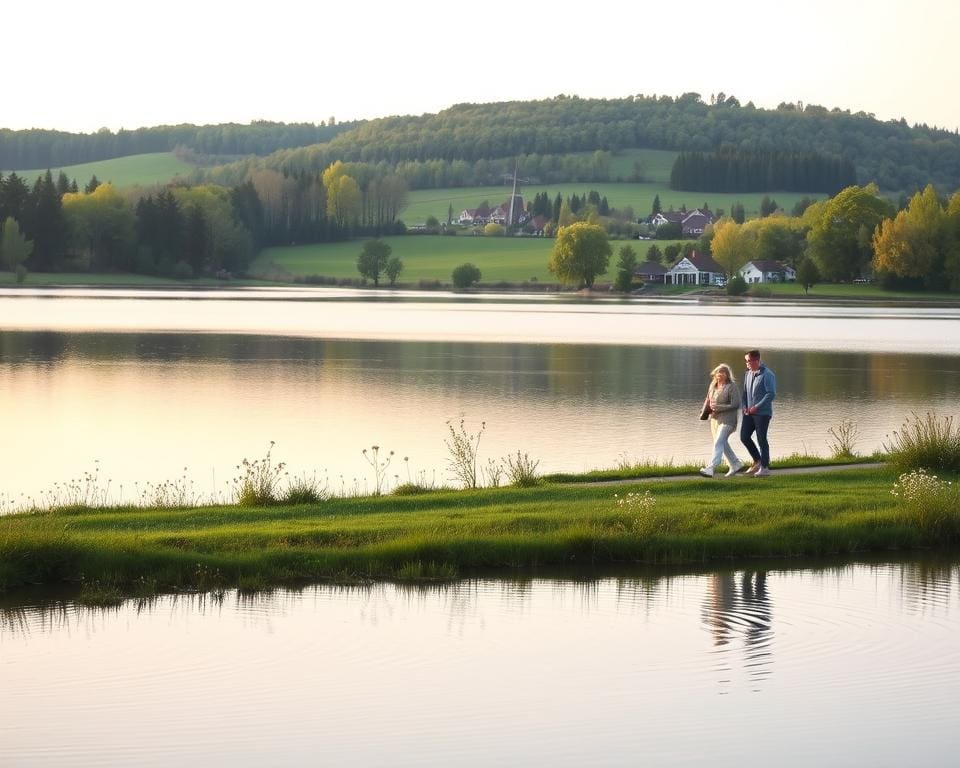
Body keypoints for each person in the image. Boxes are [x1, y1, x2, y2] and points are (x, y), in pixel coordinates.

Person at [699, 363, 744, 478]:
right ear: (715, 373)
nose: (720, 374)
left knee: (719, 441)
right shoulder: (713, 385)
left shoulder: (731, 386)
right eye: (719, 372)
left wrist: (718, 408)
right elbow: (708, 400)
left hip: (728, 420)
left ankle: (711, 467)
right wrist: (706, 410)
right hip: (715, 420)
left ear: (728, 375)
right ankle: (735, 463)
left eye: (723, 372)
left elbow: (736, 404)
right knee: (722, 442)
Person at [740, 349, 776, 477]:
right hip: (748, 413)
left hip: (762, 414)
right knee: (744, 436)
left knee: (761, 439)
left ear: (757, 360)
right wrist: (744, 406)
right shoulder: (748, 373)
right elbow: (744, 393)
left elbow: (771, 394)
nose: (747, 363)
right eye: (746, 361)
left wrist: (757, 406)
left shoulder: (767, 374)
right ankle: (758, 460)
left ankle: (765, 468)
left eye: (748, 361)